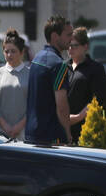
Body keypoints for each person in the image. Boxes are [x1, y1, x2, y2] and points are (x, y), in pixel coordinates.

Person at [24, 16, 72, 145]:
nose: (71, 39)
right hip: (51, 138)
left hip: (31, 134)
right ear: (55, 36)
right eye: (68, 35)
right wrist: (67, 134)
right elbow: (61, 106)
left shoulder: (36, 59)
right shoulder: (58, 64)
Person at [66, 27, 106, 144]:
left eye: (74, 45)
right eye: (69, 45)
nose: (70, 49)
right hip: (63, 128)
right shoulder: (63, 67)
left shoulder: (95, 68)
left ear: (85, 46)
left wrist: (78, 117)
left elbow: (97, 99)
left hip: (86, 128)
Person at [0, 30, 30, 141]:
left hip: (25, 132)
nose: (9, 55)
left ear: (22, 52)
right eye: (6, 51)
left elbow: (34, 105)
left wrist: (19, 126)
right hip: (0, 132)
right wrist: (4, 125)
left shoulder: (30, 74)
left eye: (13, 51)